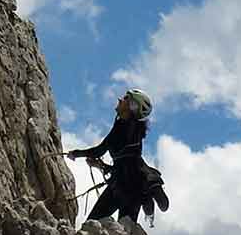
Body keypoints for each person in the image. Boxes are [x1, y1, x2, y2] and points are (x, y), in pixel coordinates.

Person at [66, 89, 170, 223]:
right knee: (124, 230)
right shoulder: (131, 128)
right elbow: (126, 164)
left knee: (92, 224)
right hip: (132, 190)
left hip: (120, 188)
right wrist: (101, 165)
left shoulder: (124, 127)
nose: (120, 99)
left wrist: (76, 153)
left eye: (126, 98)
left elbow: (99, 151)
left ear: (132, 106)